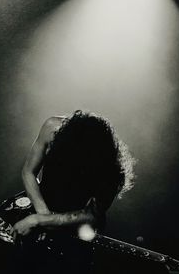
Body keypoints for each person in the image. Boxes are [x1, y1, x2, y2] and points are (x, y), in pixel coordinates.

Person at [11, 110, 135, 273]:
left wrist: (40, 221)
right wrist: (43, 215)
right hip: (40, 209)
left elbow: (92, 215)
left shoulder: (110, 165)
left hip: (74, 232)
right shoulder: (52, 128)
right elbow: (28, 171)